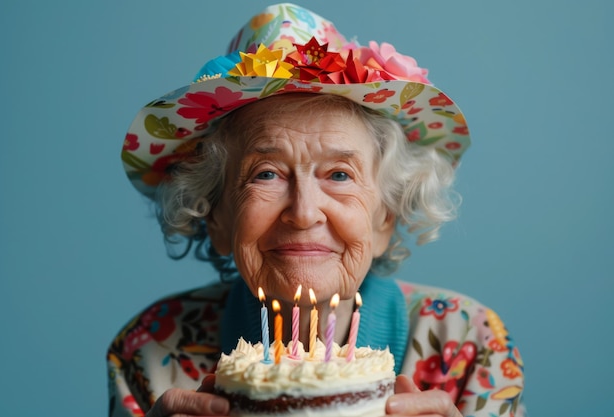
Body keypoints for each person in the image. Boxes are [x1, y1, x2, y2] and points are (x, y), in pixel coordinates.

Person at [108, 3, 525, 417]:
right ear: (216, 215)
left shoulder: (471, 344)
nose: (304, 213)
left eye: (340, 175)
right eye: (266, 175)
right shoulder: (151, 348)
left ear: (386, 217)